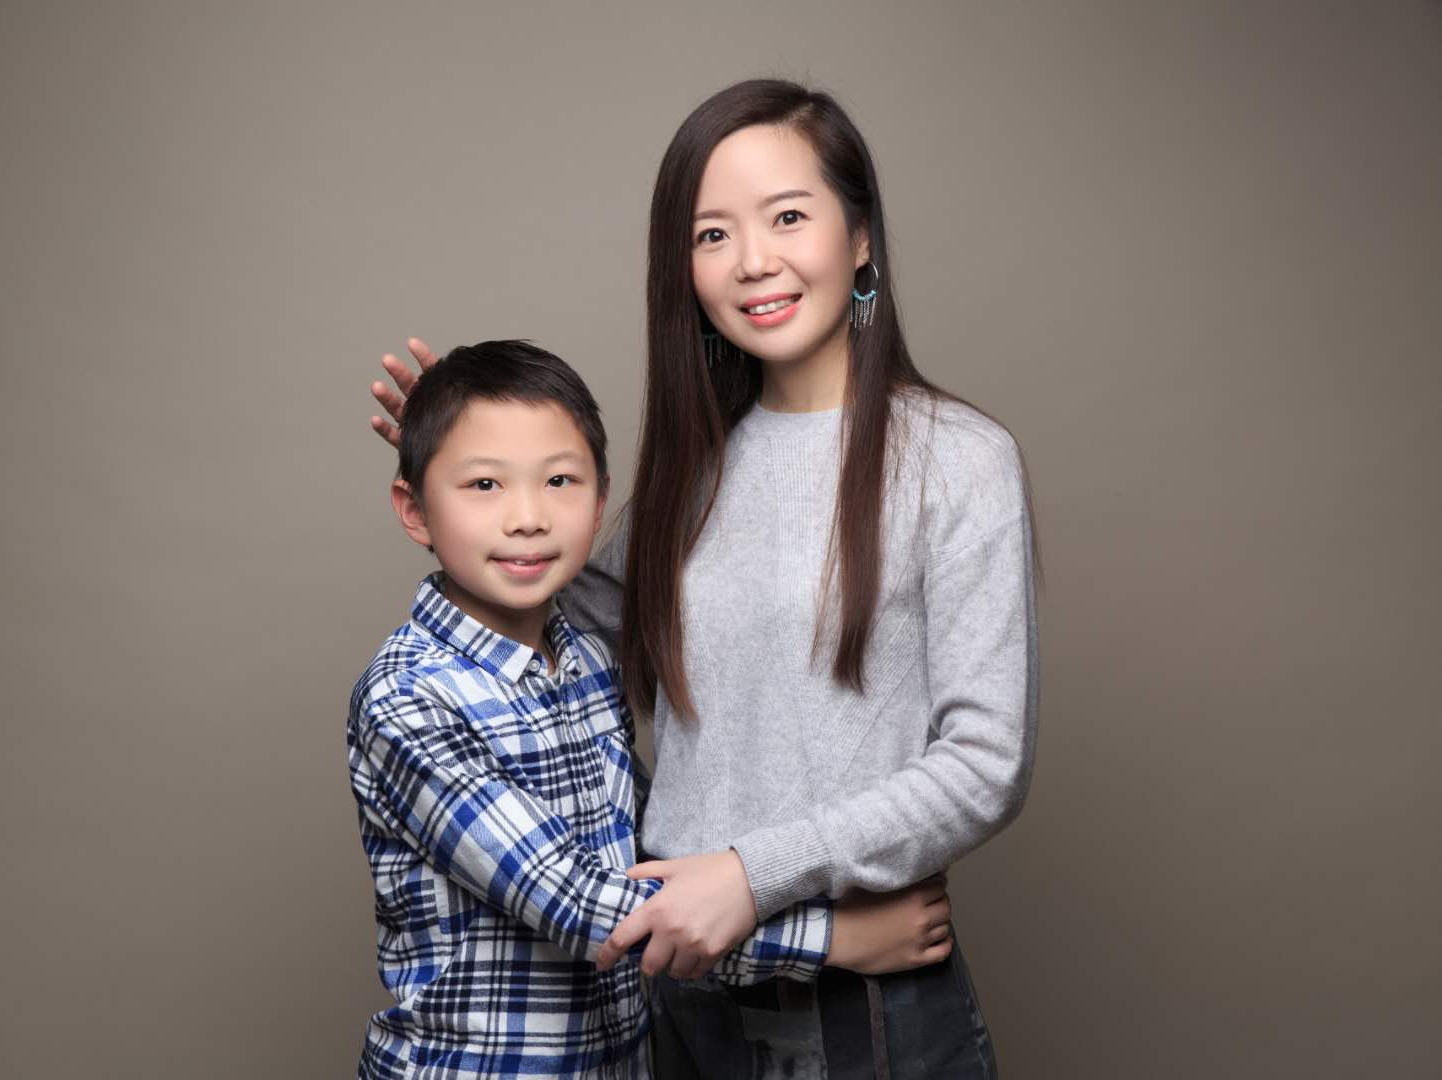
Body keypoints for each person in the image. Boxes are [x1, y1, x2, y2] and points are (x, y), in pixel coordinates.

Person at [371, 80, 1034, 1078]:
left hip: (860, 1006)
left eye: (788, 217)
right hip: (675, 995)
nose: (753, 260)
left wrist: (751, 877)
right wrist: (462, 463)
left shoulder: (959, 461)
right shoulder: (693, 474)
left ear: (860, 237)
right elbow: (555, 620)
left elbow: (985, 764)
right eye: (712, 235)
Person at [348, 339, 953, 1079]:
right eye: (484, 485)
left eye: (559, 480)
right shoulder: (410, 697)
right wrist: (834, 940)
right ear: (414, 511)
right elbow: (585, 908)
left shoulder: (584, 660)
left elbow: (645, 854)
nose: (527, 517)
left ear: (602, 500)